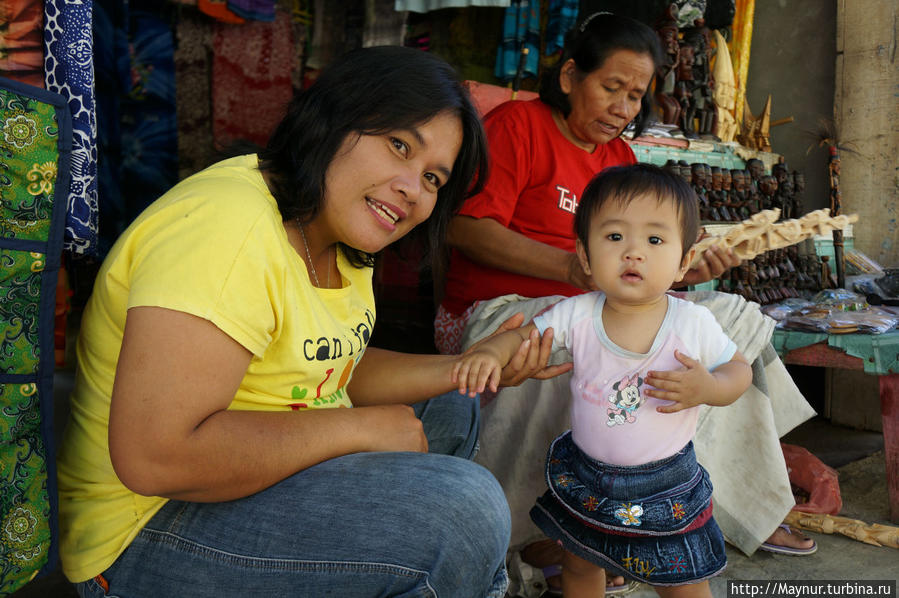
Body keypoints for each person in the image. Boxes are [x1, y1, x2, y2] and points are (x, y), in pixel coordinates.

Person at [55, 46, 568, 598]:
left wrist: (467, 366)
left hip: (243, 477)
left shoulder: (334, 231)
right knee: (462, 511)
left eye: (434, 179)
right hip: (148, 533)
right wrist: (360, 428)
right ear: (338, 115)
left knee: (452, 410)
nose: (412, 189)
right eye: (399, 146)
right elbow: (156, 458)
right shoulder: (228, 228)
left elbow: (328, 364)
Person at [434, 11, 815, 596]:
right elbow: (465, 227)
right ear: (568, 76)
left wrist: (684, 269)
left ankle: (742, 504)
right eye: (611, 87)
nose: (623, 107)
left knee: (728, 320)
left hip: (596, 303)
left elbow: (643, 267)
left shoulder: (619, 163)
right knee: (555, 338)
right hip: (501, 306)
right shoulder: (521, 126)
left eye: (635, 95)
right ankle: (546, 528)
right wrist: (567, 265)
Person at [455, 164, 754, 597]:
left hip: (666, 485)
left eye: (654, 240)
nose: (633, 253)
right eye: (614, 237)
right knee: (579, 568)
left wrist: (710, 388)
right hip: (589, 481)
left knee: (682, 580)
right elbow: (525, 336)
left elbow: (738, 369)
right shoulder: (578, 314)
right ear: (585, 255)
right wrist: (490, 350)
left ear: (684, 261)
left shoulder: (692, 322)